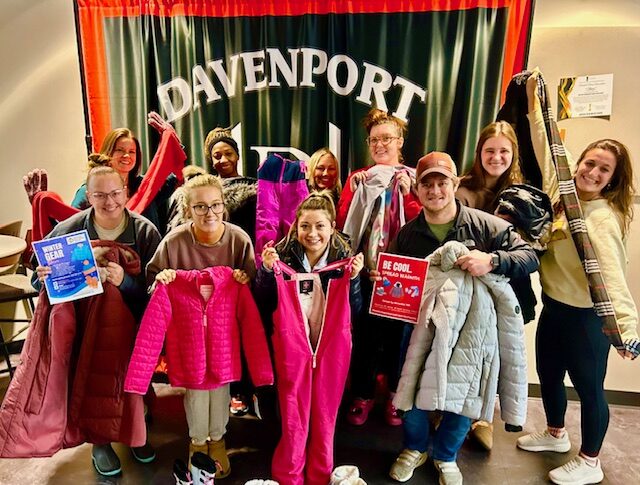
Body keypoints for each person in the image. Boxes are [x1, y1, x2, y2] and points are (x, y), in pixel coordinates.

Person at [384, 152, 538, 484]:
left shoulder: (486, 225)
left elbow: (529, 256)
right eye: (427, 184)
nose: (435, 191)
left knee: (465, 393)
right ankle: (414, 448)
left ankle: (446, 455)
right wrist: (384, 283)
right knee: (409, 389)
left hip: (472, 330)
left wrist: (491, 260)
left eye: (442, 182)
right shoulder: (407, 235)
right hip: (420, 330)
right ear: (417, 190)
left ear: (455, 184)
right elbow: (395, 286)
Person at [515, 72, 639, 485]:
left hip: (587, 319)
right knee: (549, 375)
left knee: (589, 388)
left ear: (613, 179)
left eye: (604, 170)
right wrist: (533, 98)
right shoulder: (563, 190)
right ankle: (555, 435)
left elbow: (613, 279)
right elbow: (544, 141)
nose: (593, 172)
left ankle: (590, 460)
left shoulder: (602, 219)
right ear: (579, 162)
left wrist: (626, 329)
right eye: (590, 163)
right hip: (555, 307)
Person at [34, 166, 161, 476]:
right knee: (92, 383)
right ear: (88, 197)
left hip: (131, 327)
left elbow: (156, 294)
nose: (110, 202)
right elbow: (40, 282)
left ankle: (135, 434)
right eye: (100, 195)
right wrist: (43, 277)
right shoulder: (70, 229)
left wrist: (125, 282)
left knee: (130, 385)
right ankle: (99, 442)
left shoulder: (145, 232)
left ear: (126, 193)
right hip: (86, 327)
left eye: (115, 193)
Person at [146, 174, 265, 479]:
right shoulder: (174, 242)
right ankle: (197, 444)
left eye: (215, 205)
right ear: (188, 210)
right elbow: (153, 280)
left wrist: (244, 279)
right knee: (196, 393)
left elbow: (252, 288)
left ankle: (218, 441)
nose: (209, 213)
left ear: (224, 206)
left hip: (224, 335)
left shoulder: (239, 239)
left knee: (221, 390)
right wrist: (162, 279)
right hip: (189, 337)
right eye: (200, 207)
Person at [254, 193, 364, 485]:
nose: (312, 233)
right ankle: (289, 474)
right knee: (292, 411)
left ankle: (320, 473)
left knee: (326, 414)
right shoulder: (281, 255)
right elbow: (263, 300)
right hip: (291, 343)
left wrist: (354, 280)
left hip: (332, 344)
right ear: (296, 227)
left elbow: (356, 311)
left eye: (319, 226)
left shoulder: (344, 261)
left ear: (332, 227)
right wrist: (266, 271)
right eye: (305, 226)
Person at [337, 108, 422, 427]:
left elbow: (423, 224)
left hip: (403, 276)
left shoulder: (414, 176)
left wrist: (409, 194)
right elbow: (344, 226)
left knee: (400, 341)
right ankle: (363, 394)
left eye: (386, 138)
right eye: (374, 140)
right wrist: (353, 191)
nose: (380, 145)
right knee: (365, 338)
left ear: (400, 141)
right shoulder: (360, 176)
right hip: (366, 274)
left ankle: (396, 397)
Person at [454, 120, 531, 450]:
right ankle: (452, 412)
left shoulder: (523, 194)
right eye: (490, 150)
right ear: (479, 152)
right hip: (465, 287)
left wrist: (494, 259)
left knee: (494, 355)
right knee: (461, 349)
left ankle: (483, 418)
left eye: (503, 151)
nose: (496, 157)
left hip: (504, 287)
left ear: (513, 154)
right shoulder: (461, 189)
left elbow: (529, 250)